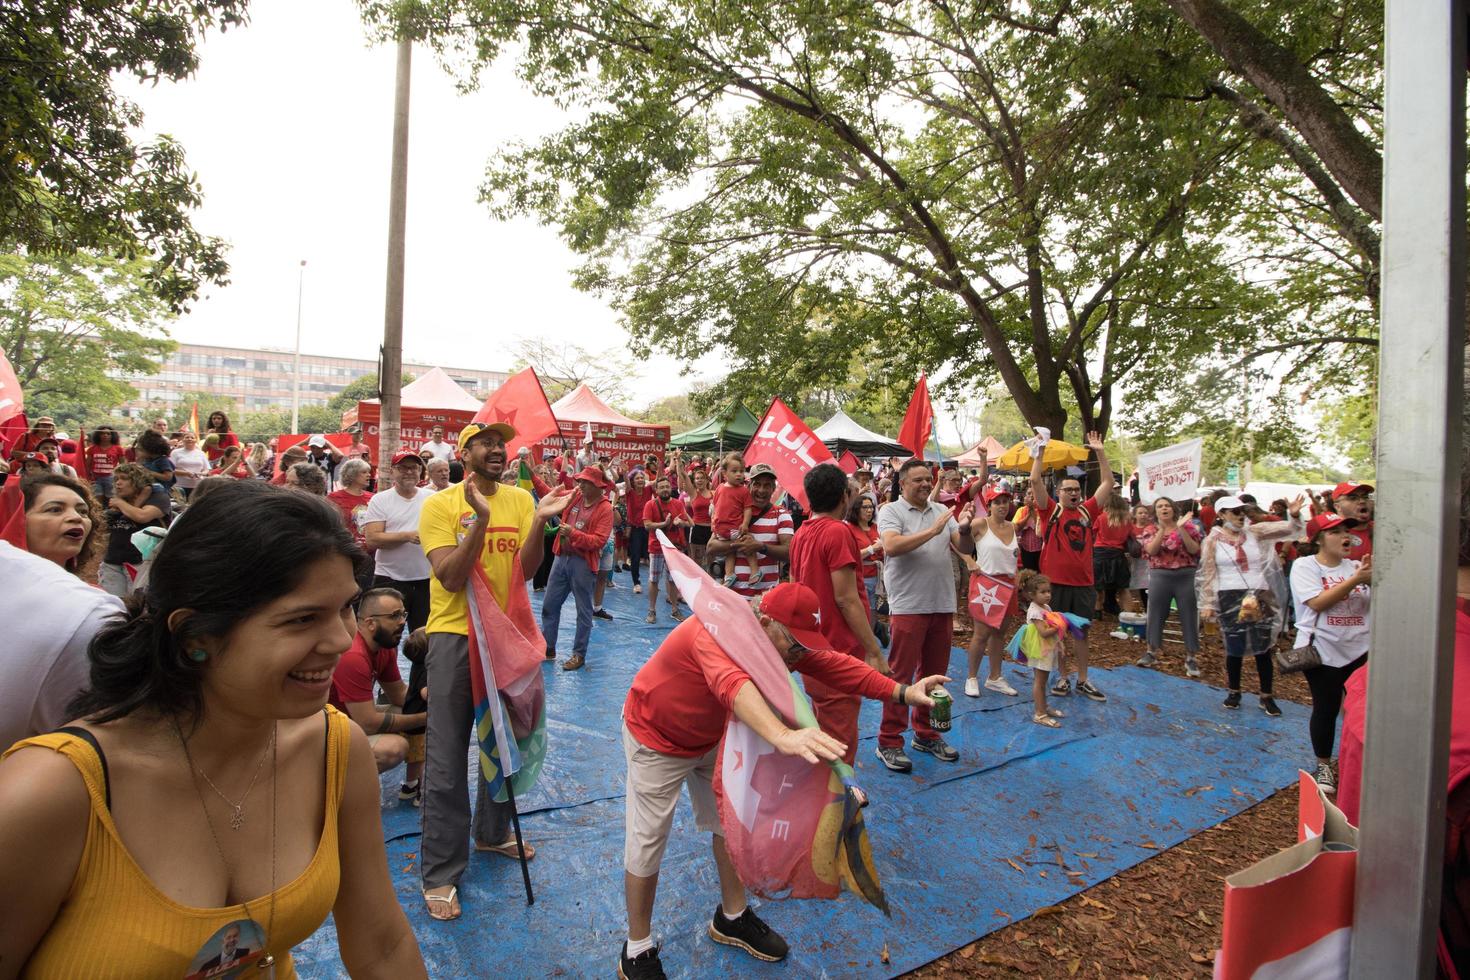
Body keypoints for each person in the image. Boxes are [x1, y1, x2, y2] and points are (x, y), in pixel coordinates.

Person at [0, 481, 426, 977]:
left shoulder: (332, 745)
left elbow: (382, 946)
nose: (340, 638)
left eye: (346, 607)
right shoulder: (50, 792)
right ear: (196, 635)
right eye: (301, 619)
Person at [616, 582, 948, 979]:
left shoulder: (778, 640)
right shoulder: (715, 628)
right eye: (793, 645)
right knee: (648, 839)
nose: (796, 658)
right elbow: (733, 685)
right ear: (766, 621)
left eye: (801, 647)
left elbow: (833, 664)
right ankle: (637, 948)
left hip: (711, 736)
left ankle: (732, 917)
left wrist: (902, 692)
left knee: (731, 822)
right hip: (656, 736)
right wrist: (783, 735)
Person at [416, 420, 572, 921]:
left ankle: (491, 834)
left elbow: (525, 572)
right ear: (464, 453)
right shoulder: (440, 505)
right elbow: (449, 575)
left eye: (501, 444)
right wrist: (479, 522)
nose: (497, 450)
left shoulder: (522, 500)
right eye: (485, 443)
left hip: (510, 640)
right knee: (446, 757)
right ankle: (440, 873)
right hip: (456, 637)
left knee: (508, 743)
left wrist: (540, 524)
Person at [873, 458, 975, 771]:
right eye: (917, 479)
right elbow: (891, 546)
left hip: (942, 604)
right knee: (900, 676)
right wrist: (933, 531)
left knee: (933, 675)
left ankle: (926, 733)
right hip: (908, 606)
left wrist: (967, 529)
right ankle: (889, 740)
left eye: (927, 479)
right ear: (901, 484)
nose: (924, 484)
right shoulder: (891, 511)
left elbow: (964, 547)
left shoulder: (943, 513)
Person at [790, 464, 887, 773]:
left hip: (812, 648)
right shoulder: (837, 531)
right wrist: (872, 649)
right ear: (845, 497)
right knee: (839, 743)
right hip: (836, 653)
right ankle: (837, 807)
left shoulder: (802, 532)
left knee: (826, 727)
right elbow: (846, 598)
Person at [1199, 494, 1305, 716]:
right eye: (1234, 511)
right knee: (1234, 646)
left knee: (1263, 646)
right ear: (1221, 514)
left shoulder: (1254, 533)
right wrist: (1208, 602)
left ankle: (1266, 695)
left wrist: (1294, 515)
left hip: (1258, 592)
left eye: (1242, 511)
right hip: (1229, 594)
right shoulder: (1212, 540)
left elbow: (1291, 530)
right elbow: (1208, 572)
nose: (1240, 516)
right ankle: (1234, 691)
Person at [1288, 513, 1371, 794]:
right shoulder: (1304, 566)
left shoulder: (1357, 566)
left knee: (1361, 709)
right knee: (1327, 706)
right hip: (1323, 649)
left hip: (1361, 647)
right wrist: (1356, 580)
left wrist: (1370, 580)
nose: (1344, 535)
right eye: (1335, 531)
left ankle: (1356, 763)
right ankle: (1324, 764)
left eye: (1346, 530)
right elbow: (1318, 602)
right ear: (1319, 539)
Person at [1027, 431, 1113, 702]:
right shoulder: (1050, 510)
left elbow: (1109, 482)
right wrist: (1039, 453)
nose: (1074, 493)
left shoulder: (1088, 510)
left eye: (1076, 489)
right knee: (1057, 632)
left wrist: (1100, 452)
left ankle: (1083, 680)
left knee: (1082, 633)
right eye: (1068, 490)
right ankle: (1063, 677)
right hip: (1056, 584)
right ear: (1059, 493)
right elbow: (1034, 479)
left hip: (1084, 583)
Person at [329, 587, 427, 782]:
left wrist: (428, 699)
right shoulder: (353, 656)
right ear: (371, 623)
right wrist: (425, 717)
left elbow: (399, 694)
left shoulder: (384, 646)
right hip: (327, 731)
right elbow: (368, 722)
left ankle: (412, 785)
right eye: (394, 616)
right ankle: (335, 787)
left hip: (350, 719)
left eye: (403, 613)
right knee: (392, 748)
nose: (402, 621)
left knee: (413, 708)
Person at [543, 466, 615, 671]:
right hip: (561, 558)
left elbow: (599, 542)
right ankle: (548, 648)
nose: (579, 485)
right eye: (579, 481)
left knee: (584, 611)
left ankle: (578, 654)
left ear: (596, 485)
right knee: (549, 605)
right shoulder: (575, 496)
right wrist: (529, 471)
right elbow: (548, 493)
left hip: (582, 563)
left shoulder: (605, 509)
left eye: (584, 482)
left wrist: (573, 533)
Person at [362, 451, 435, 633]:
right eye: (402, 468)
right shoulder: (380, 500)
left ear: (420, 471)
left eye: (413, 468)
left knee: (424, 637)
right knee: (384, 635)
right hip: (389, 577)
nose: (409, 472)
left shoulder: (432, 498)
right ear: (392, 471)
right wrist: (407, 536)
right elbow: (372, 538)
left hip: (426, 579)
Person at [963, 485, 1022, 698]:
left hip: (1008, 586)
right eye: (997, 502)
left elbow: (1013, 556)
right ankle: (971, 677)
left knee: (999, 633)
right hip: (986, 584)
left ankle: (995, 677)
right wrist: (968, 559)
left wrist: (1017, 577)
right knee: (981, 634)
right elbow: (956, 542)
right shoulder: (980, 524)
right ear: (989, 505)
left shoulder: (1013, 527)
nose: (1002, 506)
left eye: (1005, 501)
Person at [1135, 497, 1203, 674]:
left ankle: (1191, 657)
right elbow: (1151, 550)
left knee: (1188, 614)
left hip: (1185, 574)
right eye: (1159, 506)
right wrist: (1162, 530)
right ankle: (1151, 651)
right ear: (1155, 511)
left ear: (1173, 509)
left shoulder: (1188, 526)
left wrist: (1181, 528)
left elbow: (1194, 549)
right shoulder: (1150, 529)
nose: (1164, 508)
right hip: (1160, 575)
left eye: (1167, 505)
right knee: (1156, 613)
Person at [705, 464, 792, 600]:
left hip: (766, 600)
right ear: (748, 486)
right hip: (732, 598)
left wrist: (761, 547)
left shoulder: (781, 515)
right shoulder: (733, 512)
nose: (761, 490)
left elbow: (789, 553)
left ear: (773, 489)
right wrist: (739, 543)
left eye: (767, 485)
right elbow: (711, 547)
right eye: (757, 484)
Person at [2, 473, 102, 574]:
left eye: (83, 511)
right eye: (55, 509)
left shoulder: (85, 589)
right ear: (16, 519)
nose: (76, 517)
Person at [99, 463, 170, 598]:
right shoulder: (119, 502)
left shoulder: (158, 498)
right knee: (113, 605)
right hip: (113, 562)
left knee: (138, 604)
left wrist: (120, 503)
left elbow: (142, 516)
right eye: (116, 479)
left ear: (138, 481)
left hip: (141, 563)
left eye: (124, 478)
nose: (118, 483)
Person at [1011, 570, 1067, 727]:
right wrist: (1059, 626)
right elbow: (1043, 632)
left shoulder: (1046, 607)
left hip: (1047, 647)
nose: (1047, 595)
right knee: (1040, 681)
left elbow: (1050, 627)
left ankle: (1044, 706)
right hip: (1040, 649)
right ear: (1031, 595)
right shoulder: (1035, 611)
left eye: (1049, 591)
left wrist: (1059, 642)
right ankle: (1040, 714)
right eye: (1043, 592)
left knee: (1044, 680)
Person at [642, 475, 690, 624]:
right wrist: (664, 524)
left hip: (674, 548)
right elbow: (647, 525)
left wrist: (680, 523)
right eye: (661, 487)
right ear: (656, 490)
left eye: (667, 487)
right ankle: (651, 610)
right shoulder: (650, 504)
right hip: (656, 547)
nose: (664, 490)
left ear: (671, 488)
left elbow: (688, 522)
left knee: (673, 579)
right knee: (654, 579)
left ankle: (675, 610)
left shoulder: (678, 504)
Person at [711, 453, 755, 587]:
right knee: (729, 551)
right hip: (720, 529)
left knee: (746, 544)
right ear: (724, 473)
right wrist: (713, 522)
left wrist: (745, 523)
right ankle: (729, 574)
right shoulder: (719, 488)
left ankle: (754, 570)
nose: (739, 474)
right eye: (734, 471)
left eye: (741, 471)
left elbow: (748, 509)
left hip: (735, 527)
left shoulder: (744, 491)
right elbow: (715, 506)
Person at [1091, 494, 1136, 619]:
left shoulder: (1101, 518)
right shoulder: (1127, 520)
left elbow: (1093, 533)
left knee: (1098, 586)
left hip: (1100, 554)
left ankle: (1097, 610)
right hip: (1118, 555)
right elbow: (1131, 536)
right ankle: (1130, 616)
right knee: (1123, 588)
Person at [846, 491, 883, 622]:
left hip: (876, 577)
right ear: (856, 509)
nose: (869, 510)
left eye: (871, 507)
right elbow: (850, 555)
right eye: (865, 507)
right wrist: (872, 549)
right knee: (861, 612)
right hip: (859, 577)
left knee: (873, 611)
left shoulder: (875, 527)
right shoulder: (849, 528)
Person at [327, 458, 374, 556]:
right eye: (364, 472)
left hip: (371, 553)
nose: (369, 475)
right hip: (345, 551)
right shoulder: (334, 498)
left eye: (368, 472)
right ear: (352, 474)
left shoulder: (373, 498)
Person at [680, 463, 715, 572]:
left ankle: (710, 583)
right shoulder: (693, 493)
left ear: (706, 480)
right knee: (696, 560)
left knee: (711, 560)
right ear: (694, 481)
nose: (699, 480)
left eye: (702, 478)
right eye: (697, 478)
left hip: (711, 529)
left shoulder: (714, 493)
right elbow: (684, 476)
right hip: (697, 529)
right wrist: (677, 460)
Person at [624, 469, 654, 594]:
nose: (640, 480)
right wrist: (625, 472)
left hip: (648, 527)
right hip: (635, 529)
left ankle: (654, 581)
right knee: (635, 556)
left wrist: (659, 467)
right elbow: (626, 481)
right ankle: (636, 583)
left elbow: (660, 479)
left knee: (652, 555)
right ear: (632, 481)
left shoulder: (648, 490)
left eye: (642, 478)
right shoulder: (629, 492)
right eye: (637, 478)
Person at [84, 426, 125, 499]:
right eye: (102, 433)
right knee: (97, 497)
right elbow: (87, 465)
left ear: (112, 436)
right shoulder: (92, 449)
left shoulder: (118, 449)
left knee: (111, 497)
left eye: (108, 434)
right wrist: (89, 477)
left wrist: (120, 477)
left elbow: (123, 465)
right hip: (95, 478)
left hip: (111, 478)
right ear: (98, 435)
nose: (105, 435)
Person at [1127, 502, 1155, 611]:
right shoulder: (1131, 529)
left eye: (1145, 513)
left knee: (1148, 585)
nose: (1143, 515)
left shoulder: (1153, 528)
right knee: (1138, 585)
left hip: (1149, 560)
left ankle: (1150, 608)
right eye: (1140, 513)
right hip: (1136, 562)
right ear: (1134, 515)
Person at [170, 432, 210, 499]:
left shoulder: (201, 453)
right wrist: (186, 473)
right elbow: (170, 469)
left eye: (192, 437)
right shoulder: (175, 452)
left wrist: (201, 473)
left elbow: (207, 469)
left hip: (197, 486)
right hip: (179, 486)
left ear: (196, 440)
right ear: (183, 440)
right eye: (187, 437)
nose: (189, 439)